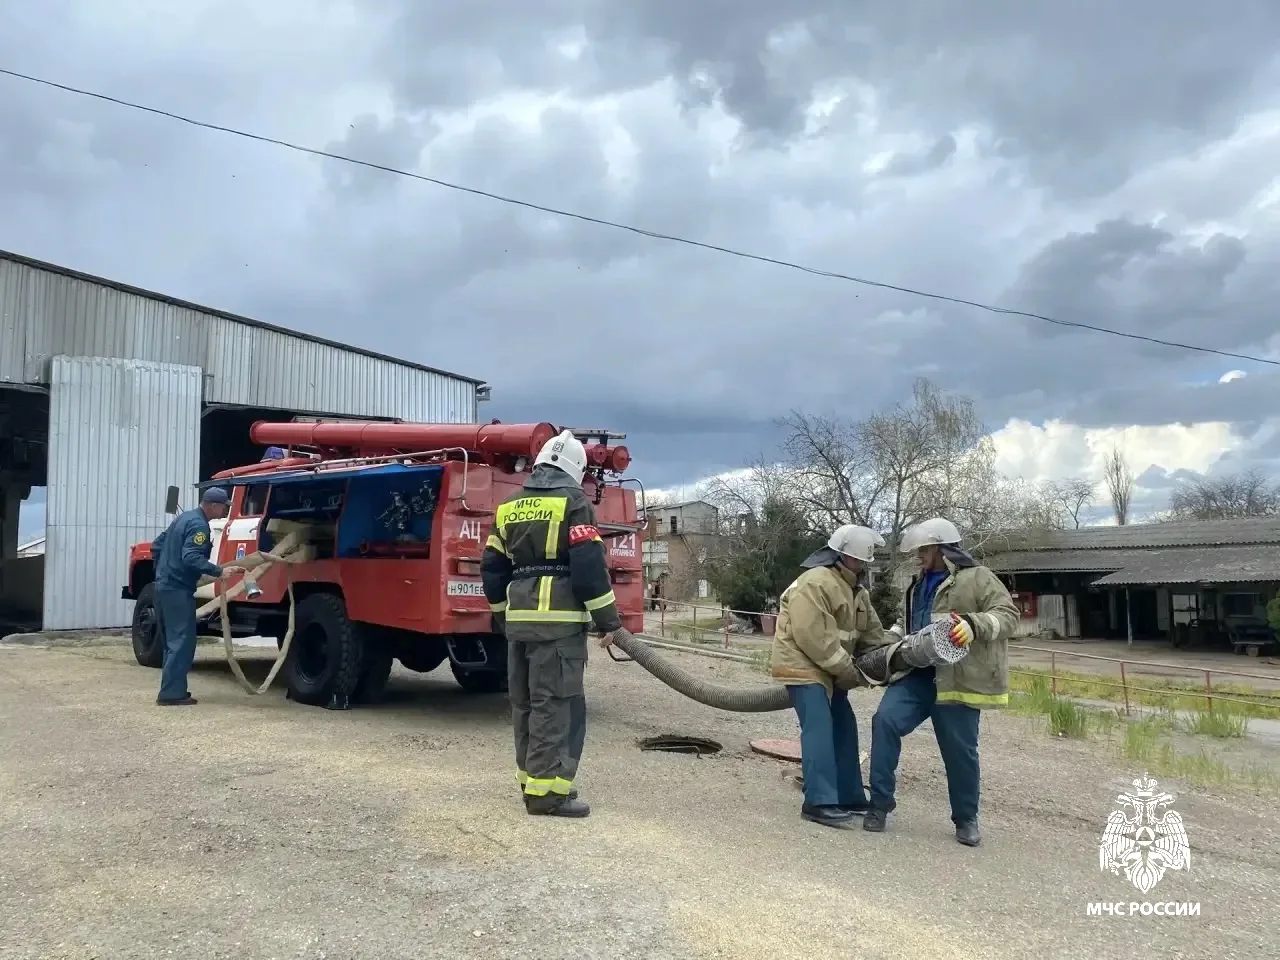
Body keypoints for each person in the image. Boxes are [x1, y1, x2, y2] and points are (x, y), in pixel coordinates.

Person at [480, 429, 622, 818]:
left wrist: (501, 614)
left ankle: (531, 781)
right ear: (576, 468)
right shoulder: (574, 502)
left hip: (519, 621)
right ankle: (546, 795)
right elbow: (589, 565)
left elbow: (491, 567)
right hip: (557, 626)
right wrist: (608, 619)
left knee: (525, 704)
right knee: (555, 705)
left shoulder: (508, 506)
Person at [864, 517, 1018, 845]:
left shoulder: (978, 578)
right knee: (884, 721)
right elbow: (910, 625)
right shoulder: (917, 583)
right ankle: (879, 804)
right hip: (916, 676)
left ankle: (966, 819)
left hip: (956, 679)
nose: (918, 555)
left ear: (942, 548)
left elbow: (1008, 615)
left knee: (960, 751)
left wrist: (974, 625)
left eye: (924, 549)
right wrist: (888, 640)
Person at [771, 524, 891, 828]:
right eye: (859, 560)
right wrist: (848, 671)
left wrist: (896, 654)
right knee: (820, 728)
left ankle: (848, 795)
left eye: (865, 561)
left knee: (844, 726)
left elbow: (872, 635)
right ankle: (818, 801)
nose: (863, 566)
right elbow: (814, 637)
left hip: (829, 669)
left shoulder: (856, 591)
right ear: (842, 556)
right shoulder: (816, 583)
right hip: (802, 665)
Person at [149, 487, 241, 706]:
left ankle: (173, 690)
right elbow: (190, 556)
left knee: (172, 642)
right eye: (223, 507)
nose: (223, 512)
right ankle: (172, 694)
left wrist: (164, 571)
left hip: (164, 587)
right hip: (177, 590)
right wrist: (219, 572)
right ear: (212, 505)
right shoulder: (199, 525)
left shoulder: (183, 519)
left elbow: (157, 546)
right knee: (182, 641)